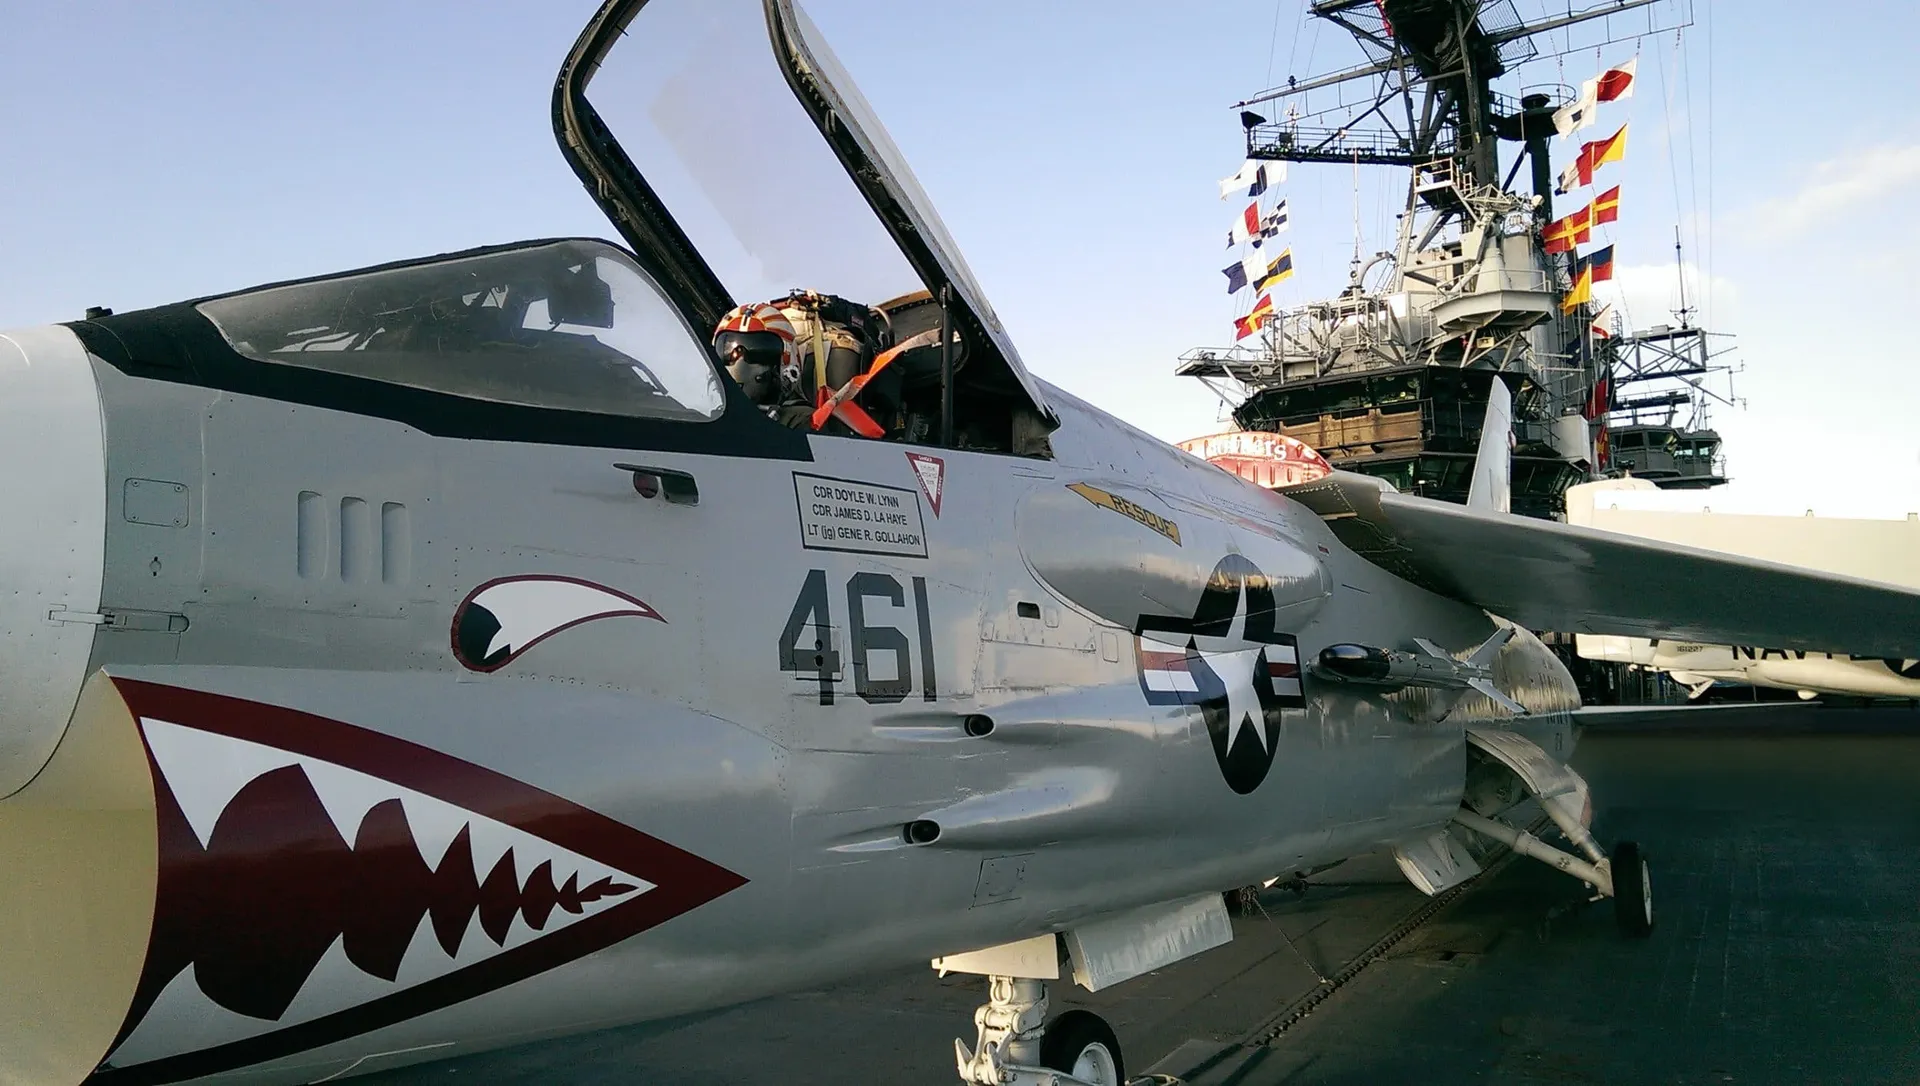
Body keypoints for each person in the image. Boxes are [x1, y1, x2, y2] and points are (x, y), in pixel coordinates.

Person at [712, 302, 812, 428]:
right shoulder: (711, 417)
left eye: (757, 355)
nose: (739, 363)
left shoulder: (800, 421)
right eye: (728, 352)